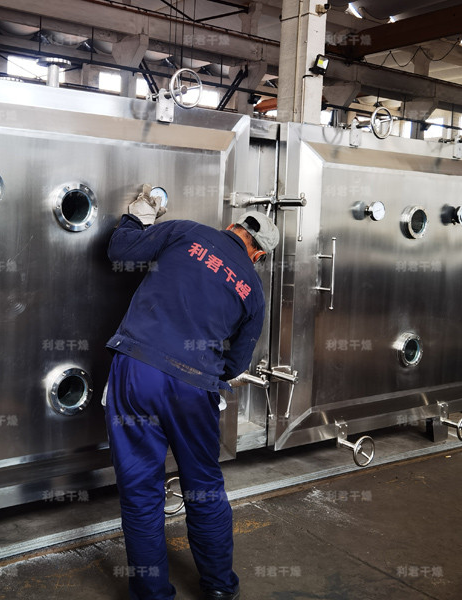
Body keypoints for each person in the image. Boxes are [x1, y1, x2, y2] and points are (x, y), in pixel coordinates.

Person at [103, 186, 279, 600]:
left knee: (141, 492)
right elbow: (235, 365)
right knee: (204, 487)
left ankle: (152, 595)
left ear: (232, 227)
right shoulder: (253, 293)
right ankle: (219, 589)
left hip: (138, 367)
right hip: (194, 386)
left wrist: (137, 216)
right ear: (258, 255)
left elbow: (119, 251)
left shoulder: (186, 232)